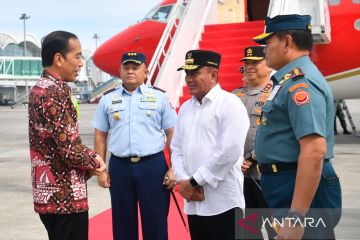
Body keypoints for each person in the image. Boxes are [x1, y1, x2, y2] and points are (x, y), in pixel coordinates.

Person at [253, 14, 342, 239]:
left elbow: (314, 151)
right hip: (285, 184)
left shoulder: (300, 84)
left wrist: (296, 217)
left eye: (267, 42)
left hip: (296, 186)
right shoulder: (286, 81)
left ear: (287, 42)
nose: (264, 49)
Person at [28, 30, 106, 240]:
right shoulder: (56, 91)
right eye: (78, 56)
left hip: (46, 193)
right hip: (66, 196)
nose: (81, 63)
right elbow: (69, 147)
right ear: (59, 59)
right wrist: (96, 160)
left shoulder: (38, 89)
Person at [92, 51, 177, 240]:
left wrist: (173, 167)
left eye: (135, 67)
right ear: (120, 71)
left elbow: (172, 133)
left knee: (155, 222)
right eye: (126, 67)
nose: (130, 71)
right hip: (119, 167)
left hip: (153, 166)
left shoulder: (160, 97)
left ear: (145, 72)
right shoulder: (107, 99)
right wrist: (101, 170)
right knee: (123, 225)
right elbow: (100, 134)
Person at [172, 50, 250, 240]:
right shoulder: (185, 108)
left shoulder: (230, 104)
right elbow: (177, 149)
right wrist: (184, 182)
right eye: (187, 74)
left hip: (222, 201)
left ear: (213, 75)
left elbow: (228, 152)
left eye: (195, 73)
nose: (189, 79)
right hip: (194, 201)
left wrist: (194, 182)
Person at [232, 45, 276, 240]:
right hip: (239, 175)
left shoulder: (277, 93)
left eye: (254, 62)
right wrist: (236, 160)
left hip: (268, 174)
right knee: (247, 229)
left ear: (267, 64)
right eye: (246, 63)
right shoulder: (234, 96)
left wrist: (252, 159)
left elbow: (277, 133)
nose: (249, 66)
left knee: (276, 227)